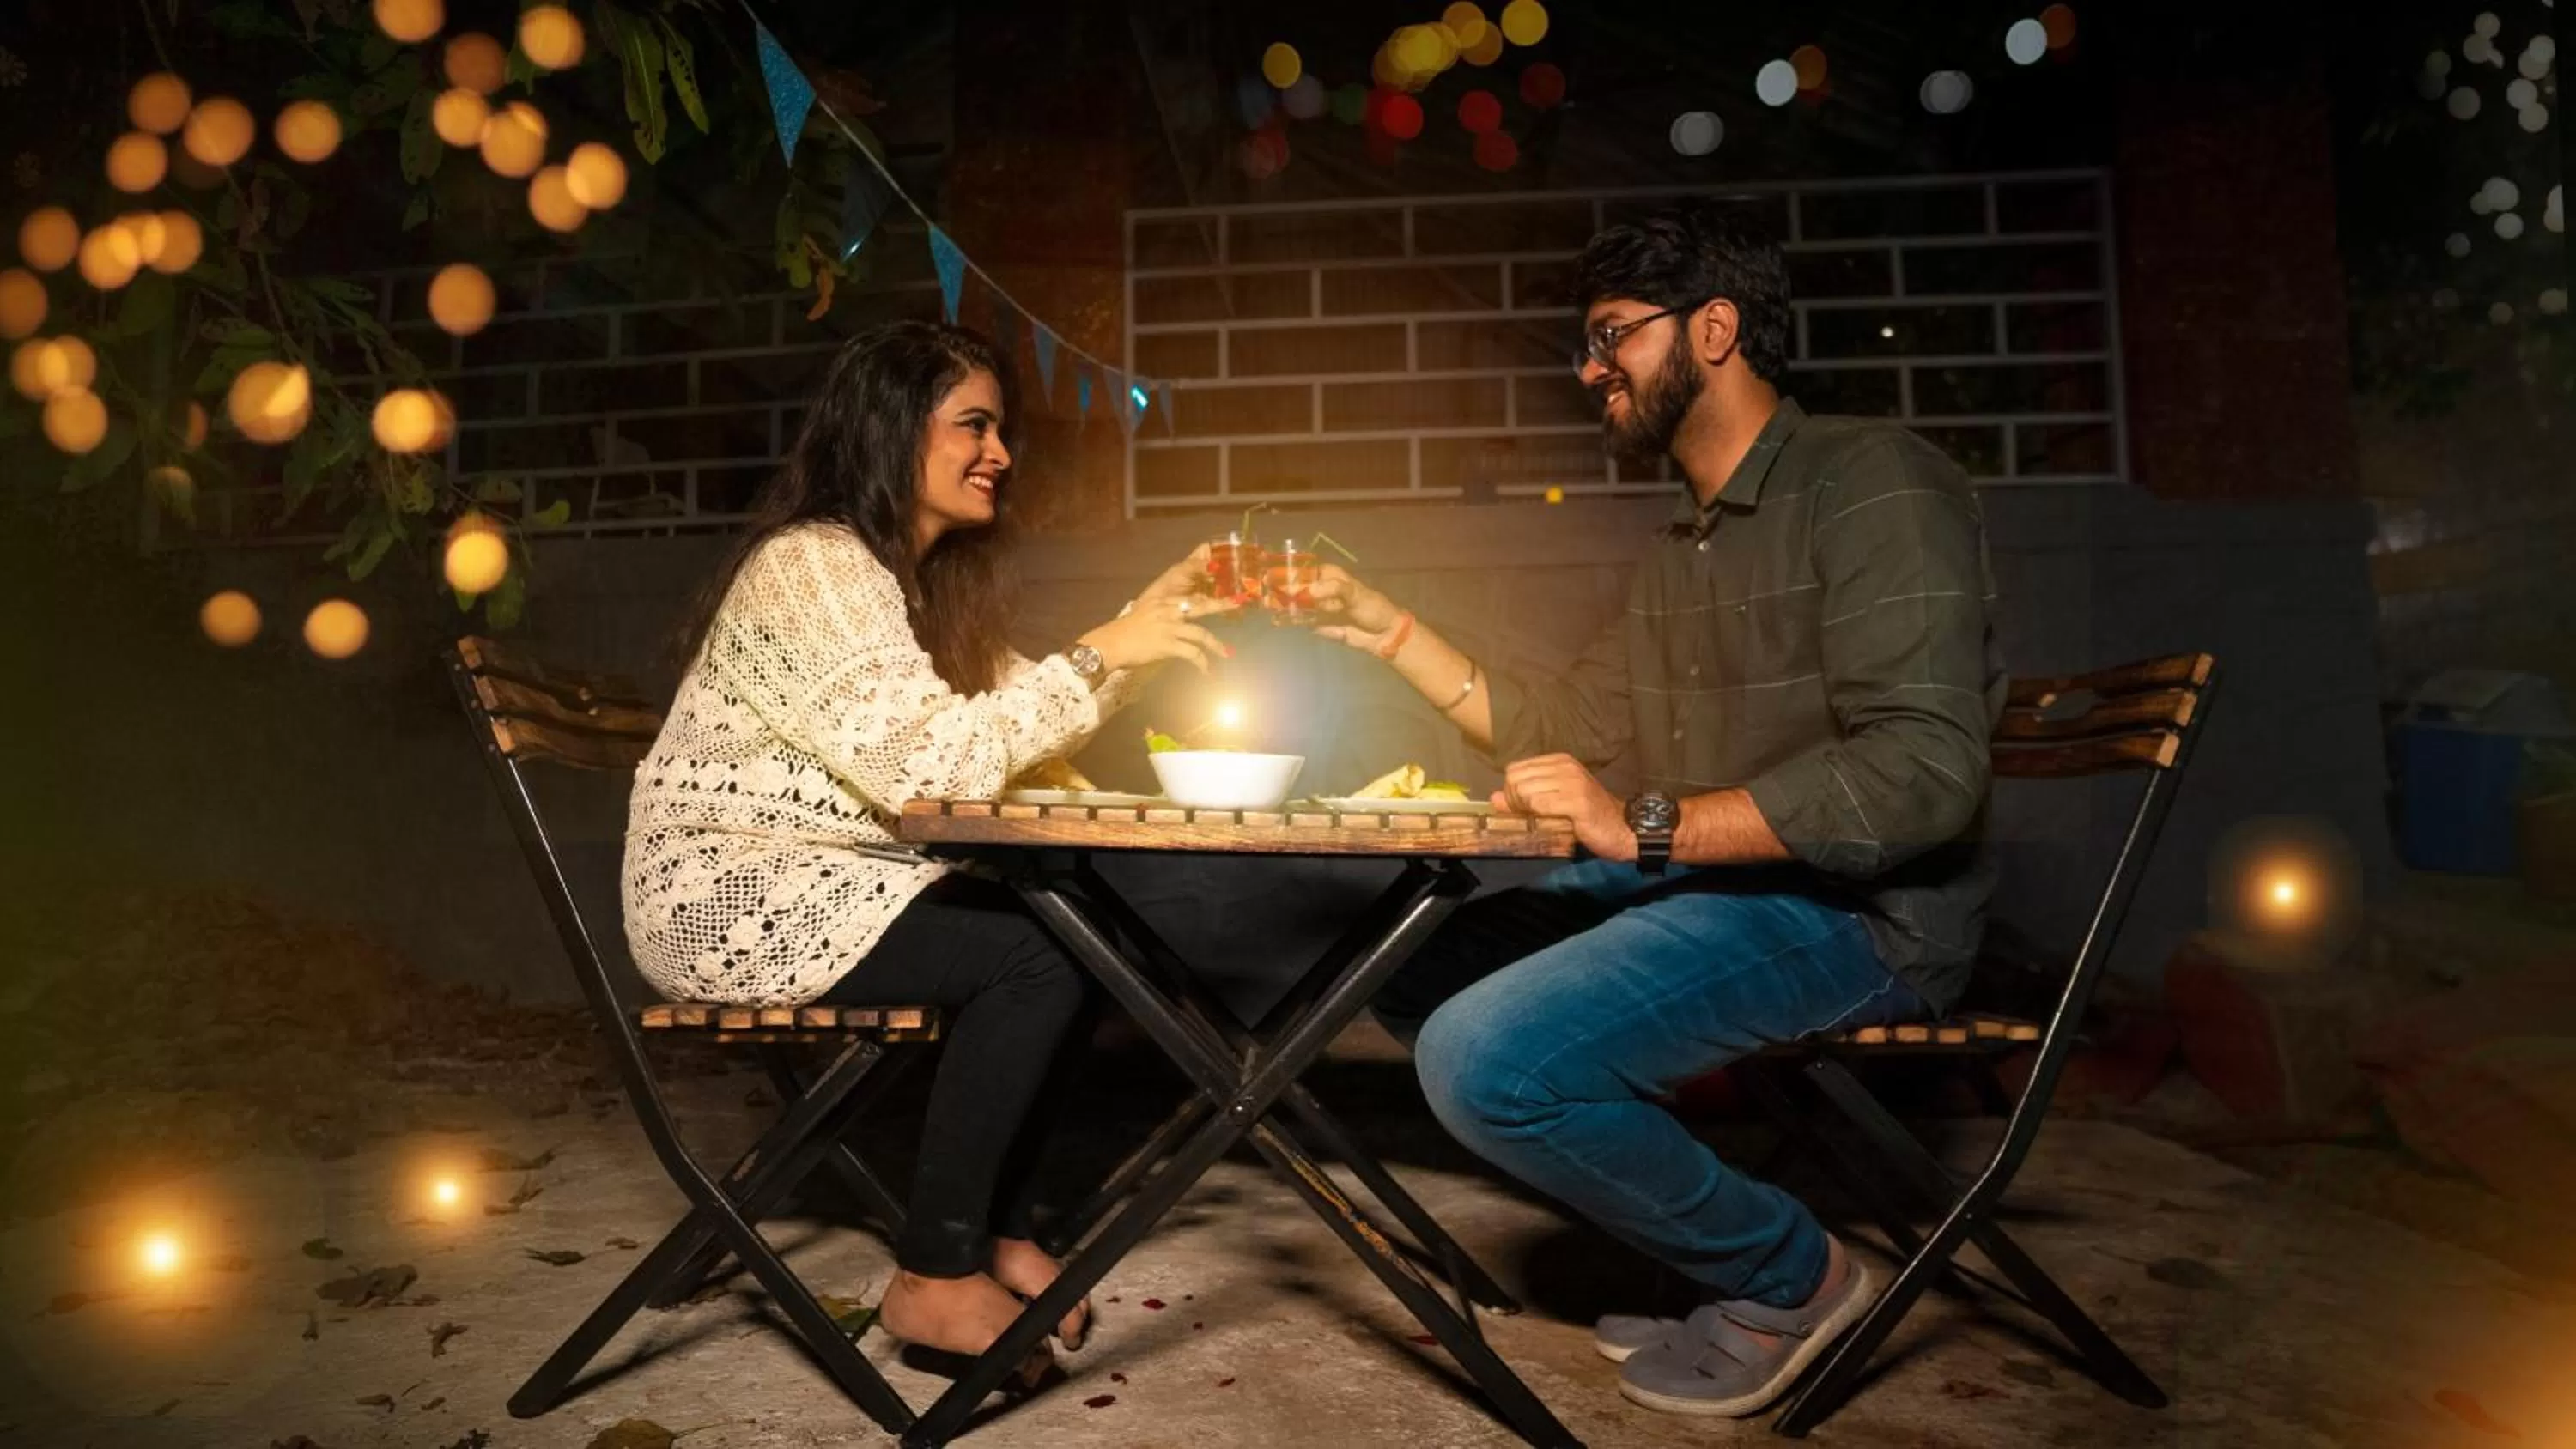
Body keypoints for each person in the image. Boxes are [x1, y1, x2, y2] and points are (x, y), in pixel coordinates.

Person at [1303, 200, 2004, 1418]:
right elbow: (1567, 728)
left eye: (1613, 334)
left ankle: (1793, 1276)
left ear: (1716, 329)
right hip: (1725, 890)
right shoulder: (1684, 547)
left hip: (1860, 916)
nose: (1591, 370)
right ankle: (1695, 1235)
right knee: (1415, 962)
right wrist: (1391, 632)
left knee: (1484, 1056)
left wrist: (1649, 827)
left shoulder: (1873, 481)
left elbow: (1927, 773)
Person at [623, 320, 1231, 1373]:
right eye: (973, 424)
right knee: (1032, 951)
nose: (999, 451)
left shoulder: (918, 588)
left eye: (1002, 429)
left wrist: (1144, 620)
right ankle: (934, 1273)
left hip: (835, 885)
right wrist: (1102, 654)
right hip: (733, 898)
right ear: (892, 429)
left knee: (1071, 926)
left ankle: (1001, 1230)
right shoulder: (811, 566)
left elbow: (1014, 713)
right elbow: (934, 771)